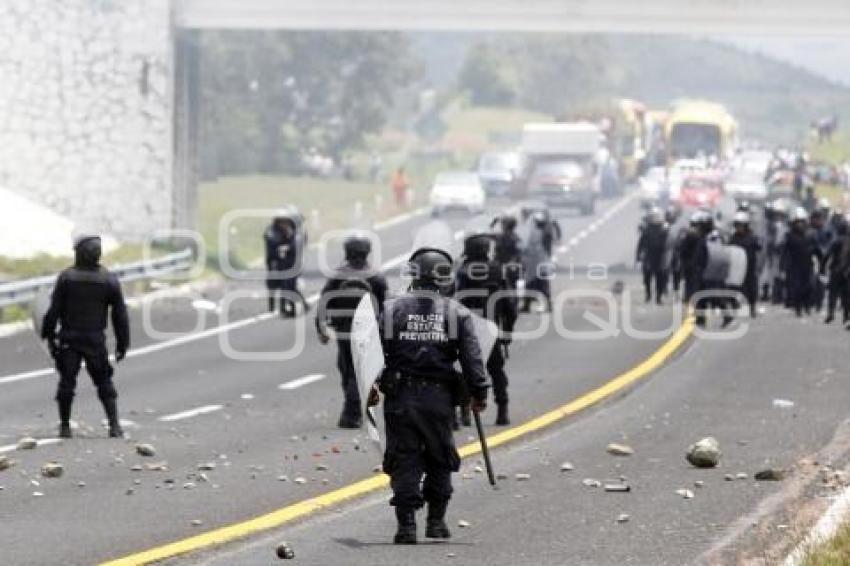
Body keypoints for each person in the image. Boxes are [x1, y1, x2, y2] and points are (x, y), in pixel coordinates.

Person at [373, 248, 489, 545]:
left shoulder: (390, 309)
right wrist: (479, 393)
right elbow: (472, 358)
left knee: (404, 458)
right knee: (440, 457)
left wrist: (370, 388)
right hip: (439, 399)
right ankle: (436, 523)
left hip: (400, 397)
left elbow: (371, 354)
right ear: (444, 278)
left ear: (414, 275)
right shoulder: (458, 313)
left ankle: (406, 527)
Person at [40, 235, 130, 439]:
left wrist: (48, 334)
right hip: (95, 340)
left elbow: (53, 310)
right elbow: (120, 316)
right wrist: (123, 343)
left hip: (69, 339)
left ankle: (64, 426)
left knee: (66, 383)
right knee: (104, 381)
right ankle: (114, 425)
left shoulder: (66, 278)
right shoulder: (109, 280)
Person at [316, 234, 388, 429]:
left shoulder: (337, 276)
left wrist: (321, 327)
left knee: (348, 370)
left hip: (343, 332)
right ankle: (354, 410)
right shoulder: (375, 276)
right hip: (368, 332)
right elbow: (387, 306)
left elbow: (323, 302)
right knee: (358, 372)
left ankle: (351, 414)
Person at [455, 233, 517, 426]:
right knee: (496, 370)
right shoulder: (498, 270)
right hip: (491, 328)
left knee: (464, 370)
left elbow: (453, 302)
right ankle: (502, 410)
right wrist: (507, 332)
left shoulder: (462, 271)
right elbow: (509, 305)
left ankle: (464, 411)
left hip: (467, 329)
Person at [264, 209, 308, 317]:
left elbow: (296, 245)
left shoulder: (294, 232)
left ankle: (289, 308)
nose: (285, 223)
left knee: (288, 285)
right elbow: (273, 243)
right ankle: (274, 307)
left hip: (289, 262)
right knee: (275, 284)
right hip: (275, 261)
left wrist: (287, 247)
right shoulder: (273, 231)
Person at [782, 207, 823, 317]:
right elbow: (785, 252)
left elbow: (817, 250)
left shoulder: (810, 235)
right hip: (794, 266)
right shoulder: (790, 236)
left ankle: (807, 306)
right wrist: (783, 267)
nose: (799, 225)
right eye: (797, 222)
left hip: (808, 265)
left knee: (809, 287)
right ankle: (798, 308)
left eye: (801, 222)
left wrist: (821, 263)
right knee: (796, 288)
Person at [522, 210, 560, 312]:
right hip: (538, 263)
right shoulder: (544, 232)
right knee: (534, 285)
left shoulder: (542, 234)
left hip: (538, 263)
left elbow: (530, 249)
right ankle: (527, 305)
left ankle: (545, 305)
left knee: (539, 285)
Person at [728, 211, 762, 318]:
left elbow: (759, 248)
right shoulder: (733, 238)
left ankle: (752, 308)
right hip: (736, 268)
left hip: (750, 267)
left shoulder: (751, 238)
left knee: (751, 288)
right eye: (737, 225)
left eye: (741, 225)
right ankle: (734, 306)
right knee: (733, 287)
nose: (739, 228)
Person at [635, 207, 669, 304]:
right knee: (647, 277)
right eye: (654, 217)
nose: (655, 219)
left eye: (657, 217)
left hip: (660, 256)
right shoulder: (647, 230)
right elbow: (641, 244)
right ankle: (648, 294)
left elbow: (668, 244)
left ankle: (658, 296)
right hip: (649, 256)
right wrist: (638, 257)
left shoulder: (664, 229)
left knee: (660, 278)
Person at [822, 217, 850, 324]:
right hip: (847, 271)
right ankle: (846, 316)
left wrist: (822, 268)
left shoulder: (835, 241)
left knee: (833, 293)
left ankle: (831, 313)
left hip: (835, 270)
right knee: (846, 294)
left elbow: (827, 255)